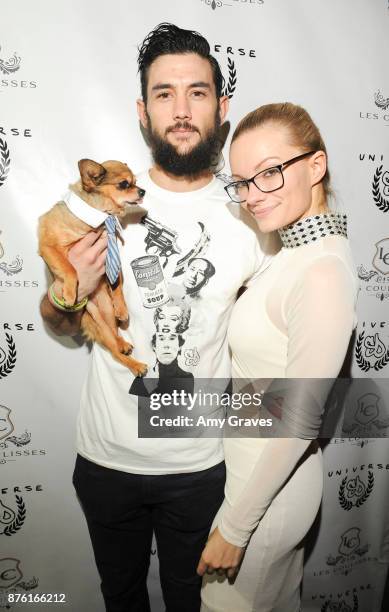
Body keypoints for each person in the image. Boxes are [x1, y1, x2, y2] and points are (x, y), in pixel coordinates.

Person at [39, 23, 272, 612]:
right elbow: (58, 319)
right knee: (121, 599)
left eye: (197, 92)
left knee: (191, 604)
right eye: (164, 94)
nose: (181, 109)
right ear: (143, 112)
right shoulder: (98, 207)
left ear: (222, 107)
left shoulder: (251, 219)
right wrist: (74, 292)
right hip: (105, 463)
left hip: (200, 467)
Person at [199, 102, 358, 612]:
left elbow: (301, 417)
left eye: (269, 173)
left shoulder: (321, 271)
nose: (251, 197)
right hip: (260, 486)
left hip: (265, 503)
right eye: (242, 181)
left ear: (316, 165)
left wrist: (235, 527)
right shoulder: (292, 250)